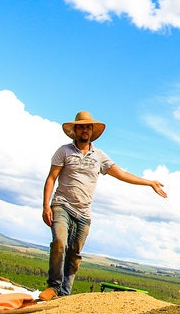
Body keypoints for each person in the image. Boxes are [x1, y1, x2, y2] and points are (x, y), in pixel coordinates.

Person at [39, 111, 167, 301]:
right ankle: (54, 286)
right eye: (81, 126)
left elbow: (121, 174)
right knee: (59, 243)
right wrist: (46, 206)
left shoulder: (99, 156)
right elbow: (52, 178)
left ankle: (64, 294)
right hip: (62, 205)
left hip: (84, 213)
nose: (85, 130)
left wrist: (149, 182)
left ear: (92, 131)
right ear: (75, 129)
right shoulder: (64, 151)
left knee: (74, 254)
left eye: (88, 127)